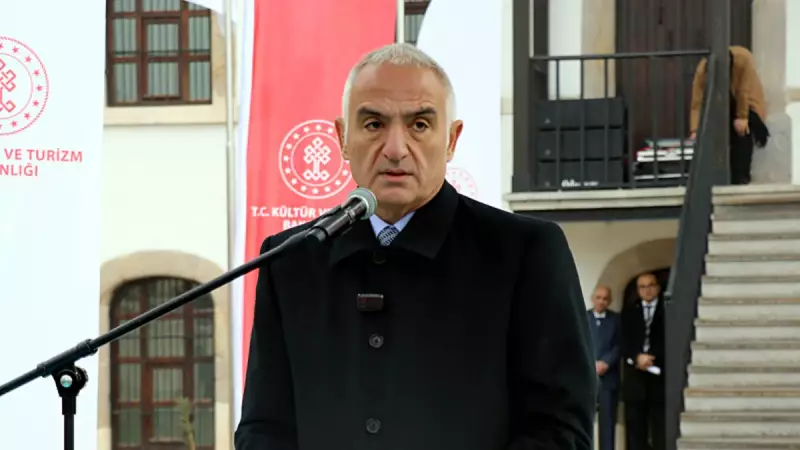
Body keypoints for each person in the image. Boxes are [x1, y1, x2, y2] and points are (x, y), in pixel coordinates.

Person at [234, 43, 595, 450]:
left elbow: (561, 429)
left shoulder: (525, 252)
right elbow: (264, 427)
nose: (395, 148)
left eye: (419, 125)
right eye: (373, 124)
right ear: (342, 138)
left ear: (452, 139)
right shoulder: (292, 259)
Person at [689, 45, 769, 185]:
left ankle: (741, 176)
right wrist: (695, 129)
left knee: (744, 131)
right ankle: (720, 174)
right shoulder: (703, 70)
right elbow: (697, 102)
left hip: (747, 101)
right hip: (721, 102)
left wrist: (742, 117)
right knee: (717, 133)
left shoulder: (743, 59)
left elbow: (744, 91)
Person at [621, 273, 665, 450]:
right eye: (642, 287)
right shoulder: (629, 312)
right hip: (635, 377)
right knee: (636, 427)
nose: (647, 290)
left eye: (651, 285)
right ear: (638, 290)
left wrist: (652, 357)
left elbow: (671, 338)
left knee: (660, 426)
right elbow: (623, 341)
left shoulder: (668, 309)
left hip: (659, 376)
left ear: (658, 288)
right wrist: (636, 357)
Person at [586, 285, 620, 450]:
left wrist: (606, 362)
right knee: (585, 422)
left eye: (605, 299)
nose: (601, 301)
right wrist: (591, 363)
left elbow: (619, 345)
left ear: (610, 301)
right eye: (598, 298)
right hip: (587, 379)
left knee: (607, 423)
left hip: (608, 379)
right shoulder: (583, 317)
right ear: (592, 298)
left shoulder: (616, 319)